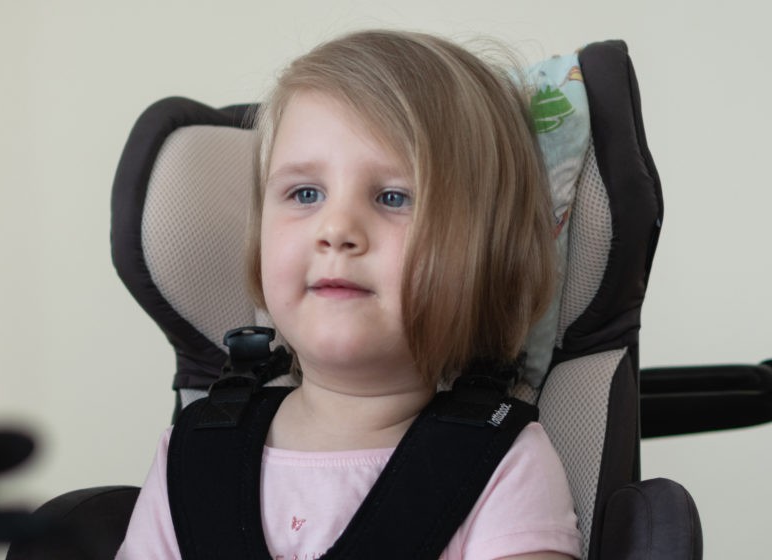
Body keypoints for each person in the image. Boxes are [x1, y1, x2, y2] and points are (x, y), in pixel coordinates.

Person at [117, 29, 581, 559]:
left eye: (393, 197)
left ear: (490, 257)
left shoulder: (500, 466)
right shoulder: (193, 455)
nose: (336, 229)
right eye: (305, 193)